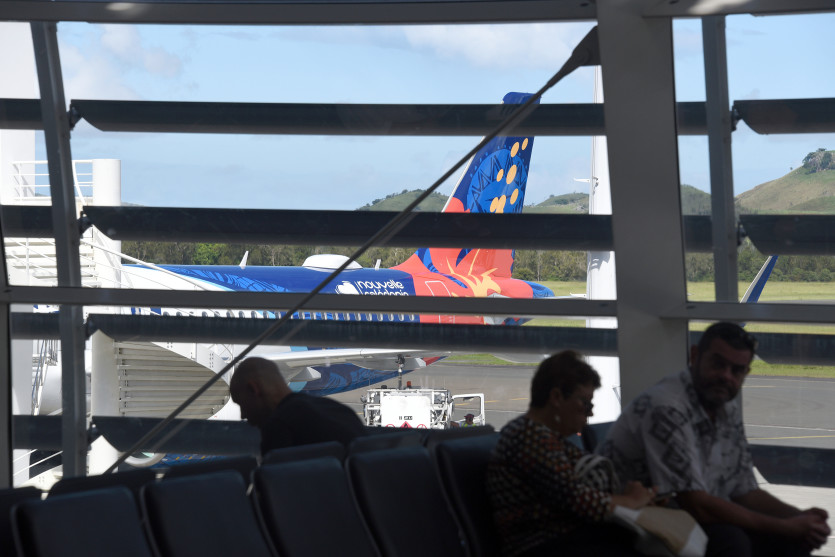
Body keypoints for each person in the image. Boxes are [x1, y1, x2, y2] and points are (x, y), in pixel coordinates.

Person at [598, 322, 831, 557]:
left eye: (736, 370)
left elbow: (744, 490)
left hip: (682, 512)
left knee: (791, 540)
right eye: (718, 364)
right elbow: (696, 504)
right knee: (732, 541)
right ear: (694, 356)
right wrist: (785, 526)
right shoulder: (666, 408)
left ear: (746, 373)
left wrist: (800, 518)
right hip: (632, 518)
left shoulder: (725, 407)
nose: (725, 376)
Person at [486, 350, 657, 557]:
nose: (590, 412)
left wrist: (635, 496)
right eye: (585, 403)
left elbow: (587, 492)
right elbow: (579, 499)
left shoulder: (546, 438)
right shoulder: (527, 437)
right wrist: (631, 500)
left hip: (568, 540)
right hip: (544, 546)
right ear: (557, 397)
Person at [229, 356, 367, 455]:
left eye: (242, 404)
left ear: (254, 389)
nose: (243, 415)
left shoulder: (279, 426)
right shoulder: (337, 410)